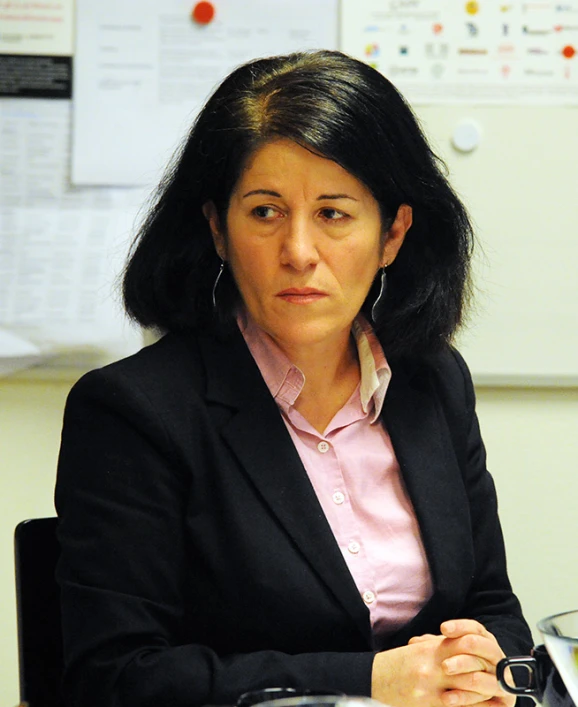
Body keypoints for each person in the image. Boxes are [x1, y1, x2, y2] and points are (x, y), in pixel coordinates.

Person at [55, 50, 532, 707]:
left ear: (393, 233)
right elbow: (114, 676)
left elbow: (491, 601)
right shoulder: (133, 411)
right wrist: (369, 683)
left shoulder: (433, 381)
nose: (299, 251)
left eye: (333, 213)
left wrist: (488, 659)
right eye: (264, 212)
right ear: (217, 228)